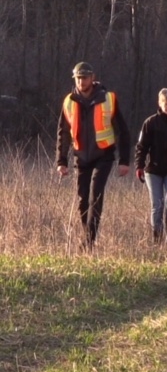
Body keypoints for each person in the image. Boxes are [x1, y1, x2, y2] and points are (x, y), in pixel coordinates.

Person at [56, 61, 131, 251]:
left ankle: (88, 242)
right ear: (75, 79)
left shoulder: (109, 99)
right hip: (80, 157)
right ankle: (88, 235)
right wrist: (61, 160)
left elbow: (122, 131)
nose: (82, 81)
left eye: (85, 77)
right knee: (82, 200)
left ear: (93, 78)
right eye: (78, 78)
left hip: (104, 156)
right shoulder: (68, 102)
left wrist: (124, 160)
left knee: (95, 195)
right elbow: (63, 133)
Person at [134, 88, 167, 245]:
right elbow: (141, 147)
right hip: (153, 171)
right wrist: (139, 166)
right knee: (157, 204)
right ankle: (157, 237)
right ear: (159, 103)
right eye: (165, 103)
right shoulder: (150, 123)